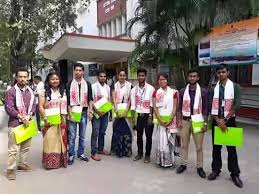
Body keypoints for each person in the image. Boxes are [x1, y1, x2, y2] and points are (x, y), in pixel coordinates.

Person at [208, 64, 243, 188]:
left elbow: (237, 104)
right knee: (216, 148)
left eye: (223, 72)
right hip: (216, 121)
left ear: (228, 72)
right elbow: (210, 105)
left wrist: (225, 120)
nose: (221, 74)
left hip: (230, 121)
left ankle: (235, 174)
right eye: (219, 72)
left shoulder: (235, 87)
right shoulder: (213, 89)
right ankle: (215, 170)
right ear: (216, 74)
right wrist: (218, 120)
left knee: (231, 149)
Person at [4, 67, 36, 180]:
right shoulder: (11, 91)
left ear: (28, 78)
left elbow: (33, 105)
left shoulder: (30, 91)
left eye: (25, 76)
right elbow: (9, 108)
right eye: (20, 76)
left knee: (25, 147)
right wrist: (21, 117)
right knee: (13, 149)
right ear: (16, 78)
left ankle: (22, 164)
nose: (23, 79)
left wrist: (30, 114)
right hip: (15, 124)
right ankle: (10, 170)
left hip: (27, 124)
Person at [176, 69, 209, 178]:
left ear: (198, 78)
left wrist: (205, 123)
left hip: (198, 120)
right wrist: (179, 120)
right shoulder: (181, 91)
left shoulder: (203, 91)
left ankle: (200, 167)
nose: (192, 78)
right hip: (185, 121)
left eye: (194, 76)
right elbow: (179, 108)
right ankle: (183, 164)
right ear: (188, 77)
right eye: (190, 76)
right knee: (184, 145)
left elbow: (205, 109)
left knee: (199, 146)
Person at [38, 72, 68, 169]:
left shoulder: (62, 91)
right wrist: (46, 118)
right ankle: (49, 163)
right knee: (49, 141)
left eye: (57, 79)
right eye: (52, 79)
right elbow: (40, 107)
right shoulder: (44, 92)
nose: (55, 81)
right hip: (48, 121)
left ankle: (59, 162)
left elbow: (65, 106)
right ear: (49, 81)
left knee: (60, 141)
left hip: (60, 120)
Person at [66, 63, 93, 165]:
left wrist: (90, 111)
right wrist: (70, 114)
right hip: (73, 112)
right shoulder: (68, 84)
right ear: (73, 71)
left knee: (82, 135)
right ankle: (71, 155)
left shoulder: (88, 84)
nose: (78, 72)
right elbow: (67, 101)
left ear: (83, 72)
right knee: (72, 136)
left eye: (80, 70)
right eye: (76, 70)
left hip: (84, 112)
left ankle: (80, 153)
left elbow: (90, 99)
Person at [153, 73, 178, 168]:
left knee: (169, 140)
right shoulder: (156, 92)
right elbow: (155, 107)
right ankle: (161, 160)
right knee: (161, 141)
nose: (162, 81)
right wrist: (160, 120)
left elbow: (175, 106)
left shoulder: (174, 92)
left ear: (167, 80)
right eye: (160, 80)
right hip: (160, 121)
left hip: (171, 120)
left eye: (163, 79)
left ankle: (170, 161)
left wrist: (170, 119)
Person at [131, 68, 155, 163]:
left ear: (145, 76)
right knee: (139, 136)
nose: (141, 77)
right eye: (139, 75)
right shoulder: (134, 90)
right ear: (137, 77)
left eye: (142, 75)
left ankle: (147, 155)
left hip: (147, 115)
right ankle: (139, 153)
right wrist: (133, 118)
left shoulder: (151, 88)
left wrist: (150, 116)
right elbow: (133, 105)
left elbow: (152, 104)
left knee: (149, 137)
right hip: (138, 116)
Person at [110, 69, 133, 157]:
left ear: (126, 76)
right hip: (117, 111)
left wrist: (126, 111)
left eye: (124, 75)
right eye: (120, 75)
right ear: (118, 76)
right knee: (117, 131)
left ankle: (127, 151)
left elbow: (131, 99)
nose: (122, 77)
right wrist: (116, 110)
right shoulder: (114, 85)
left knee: (127, 131)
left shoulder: (130, 86)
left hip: (127, 112)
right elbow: (113, 98)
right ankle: (118, 150)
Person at [91, 70, 111, 161]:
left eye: (104, 76)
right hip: (96, 113)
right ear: (97, 77)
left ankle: (100, 149)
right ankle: (94, 152)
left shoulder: (108, 88)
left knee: (102, 132)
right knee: (95, 131)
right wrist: (97, 111)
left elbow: (109, 101)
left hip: (105, 113)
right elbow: (91, 101)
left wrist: (108, 111)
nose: (103, 78)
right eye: (101, 76)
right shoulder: (93, 87)